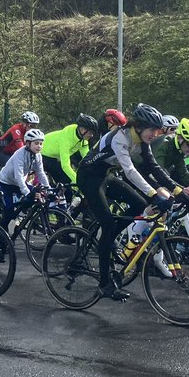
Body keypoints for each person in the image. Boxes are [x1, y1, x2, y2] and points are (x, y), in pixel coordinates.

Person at [76, 103, 175, 301]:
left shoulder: (143, 141)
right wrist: (154, 194)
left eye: (158, 130)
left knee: (140, 206)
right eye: (152, 129)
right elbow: (130, 171)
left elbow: (153, 167)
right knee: (109, 224)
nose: (156, 134)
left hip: (106, 176)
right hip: (88, 177)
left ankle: (109, 236)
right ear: (139, 126)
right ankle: (104, 285)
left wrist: (177, 189)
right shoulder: (120, 137)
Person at [0, 127, 52, 230]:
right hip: (6, 182)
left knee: (35, 196)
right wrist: (26, 192)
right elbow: (19, 175)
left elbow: (40, 173)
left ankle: (21, 214)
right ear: (27, 143)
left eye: (41, 143)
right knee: (9, 211)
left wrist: (48, 188)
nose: (39, 146)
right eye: (36, 143)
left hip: (18, 182)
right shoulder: (19, 154)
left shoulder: (37, 155)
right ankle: (0, 234)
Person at [40, 114, 98, 188]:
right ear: (82, 129)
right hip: (43, 153)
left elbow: (87, 159)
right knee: (65, 176)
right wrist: (79, 181)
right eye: (90, 132)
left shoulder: (83, 140)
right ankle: (56, 195)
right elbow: (65, 166)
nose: (92, 135)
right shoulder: (66, 138)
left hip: (54, 156)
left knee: (67, 179)